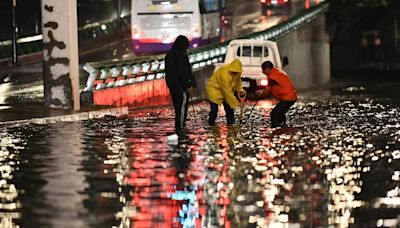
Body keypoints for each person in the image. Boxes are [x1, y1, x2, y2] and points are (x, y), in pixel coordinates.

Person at [165, 35, 196, 134]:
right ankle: (180, 128)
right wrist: (188, 84)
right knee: (182, 108)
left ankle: (178, 126)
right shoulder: (181, 55)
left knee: (177, 108)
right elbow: (184, 72)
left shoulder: (169, 54)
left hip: (172, 86)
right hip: (180, 87)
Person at [256, 60, 297, 128]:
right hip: (290, 97)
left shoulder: (272, 77)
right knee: (280, 113)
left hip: (287, 98)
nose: (263, 72)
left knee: (274, 114)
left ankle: (276, 129)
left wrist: (260, 95)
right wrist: (262, 91)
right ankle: (283, 127)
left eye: (263, 70)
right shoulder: (276, 72)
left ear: (267, 69)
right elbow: (271, 88)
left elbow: (266, 92)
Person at [206, 59, 246, 126]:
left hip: (226, 90)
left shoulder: (238, 72)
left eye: (236, 72)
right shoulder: (224, 73)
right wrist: (235, 103)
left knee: (229, 108)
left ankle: (231, 124)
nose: (235, 73)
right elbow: (227, 91)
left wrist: (240, 90)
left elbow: (238, 83)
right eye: (233, 72)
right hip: (214, 89)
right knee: (214, 109)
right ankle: (211, 124)